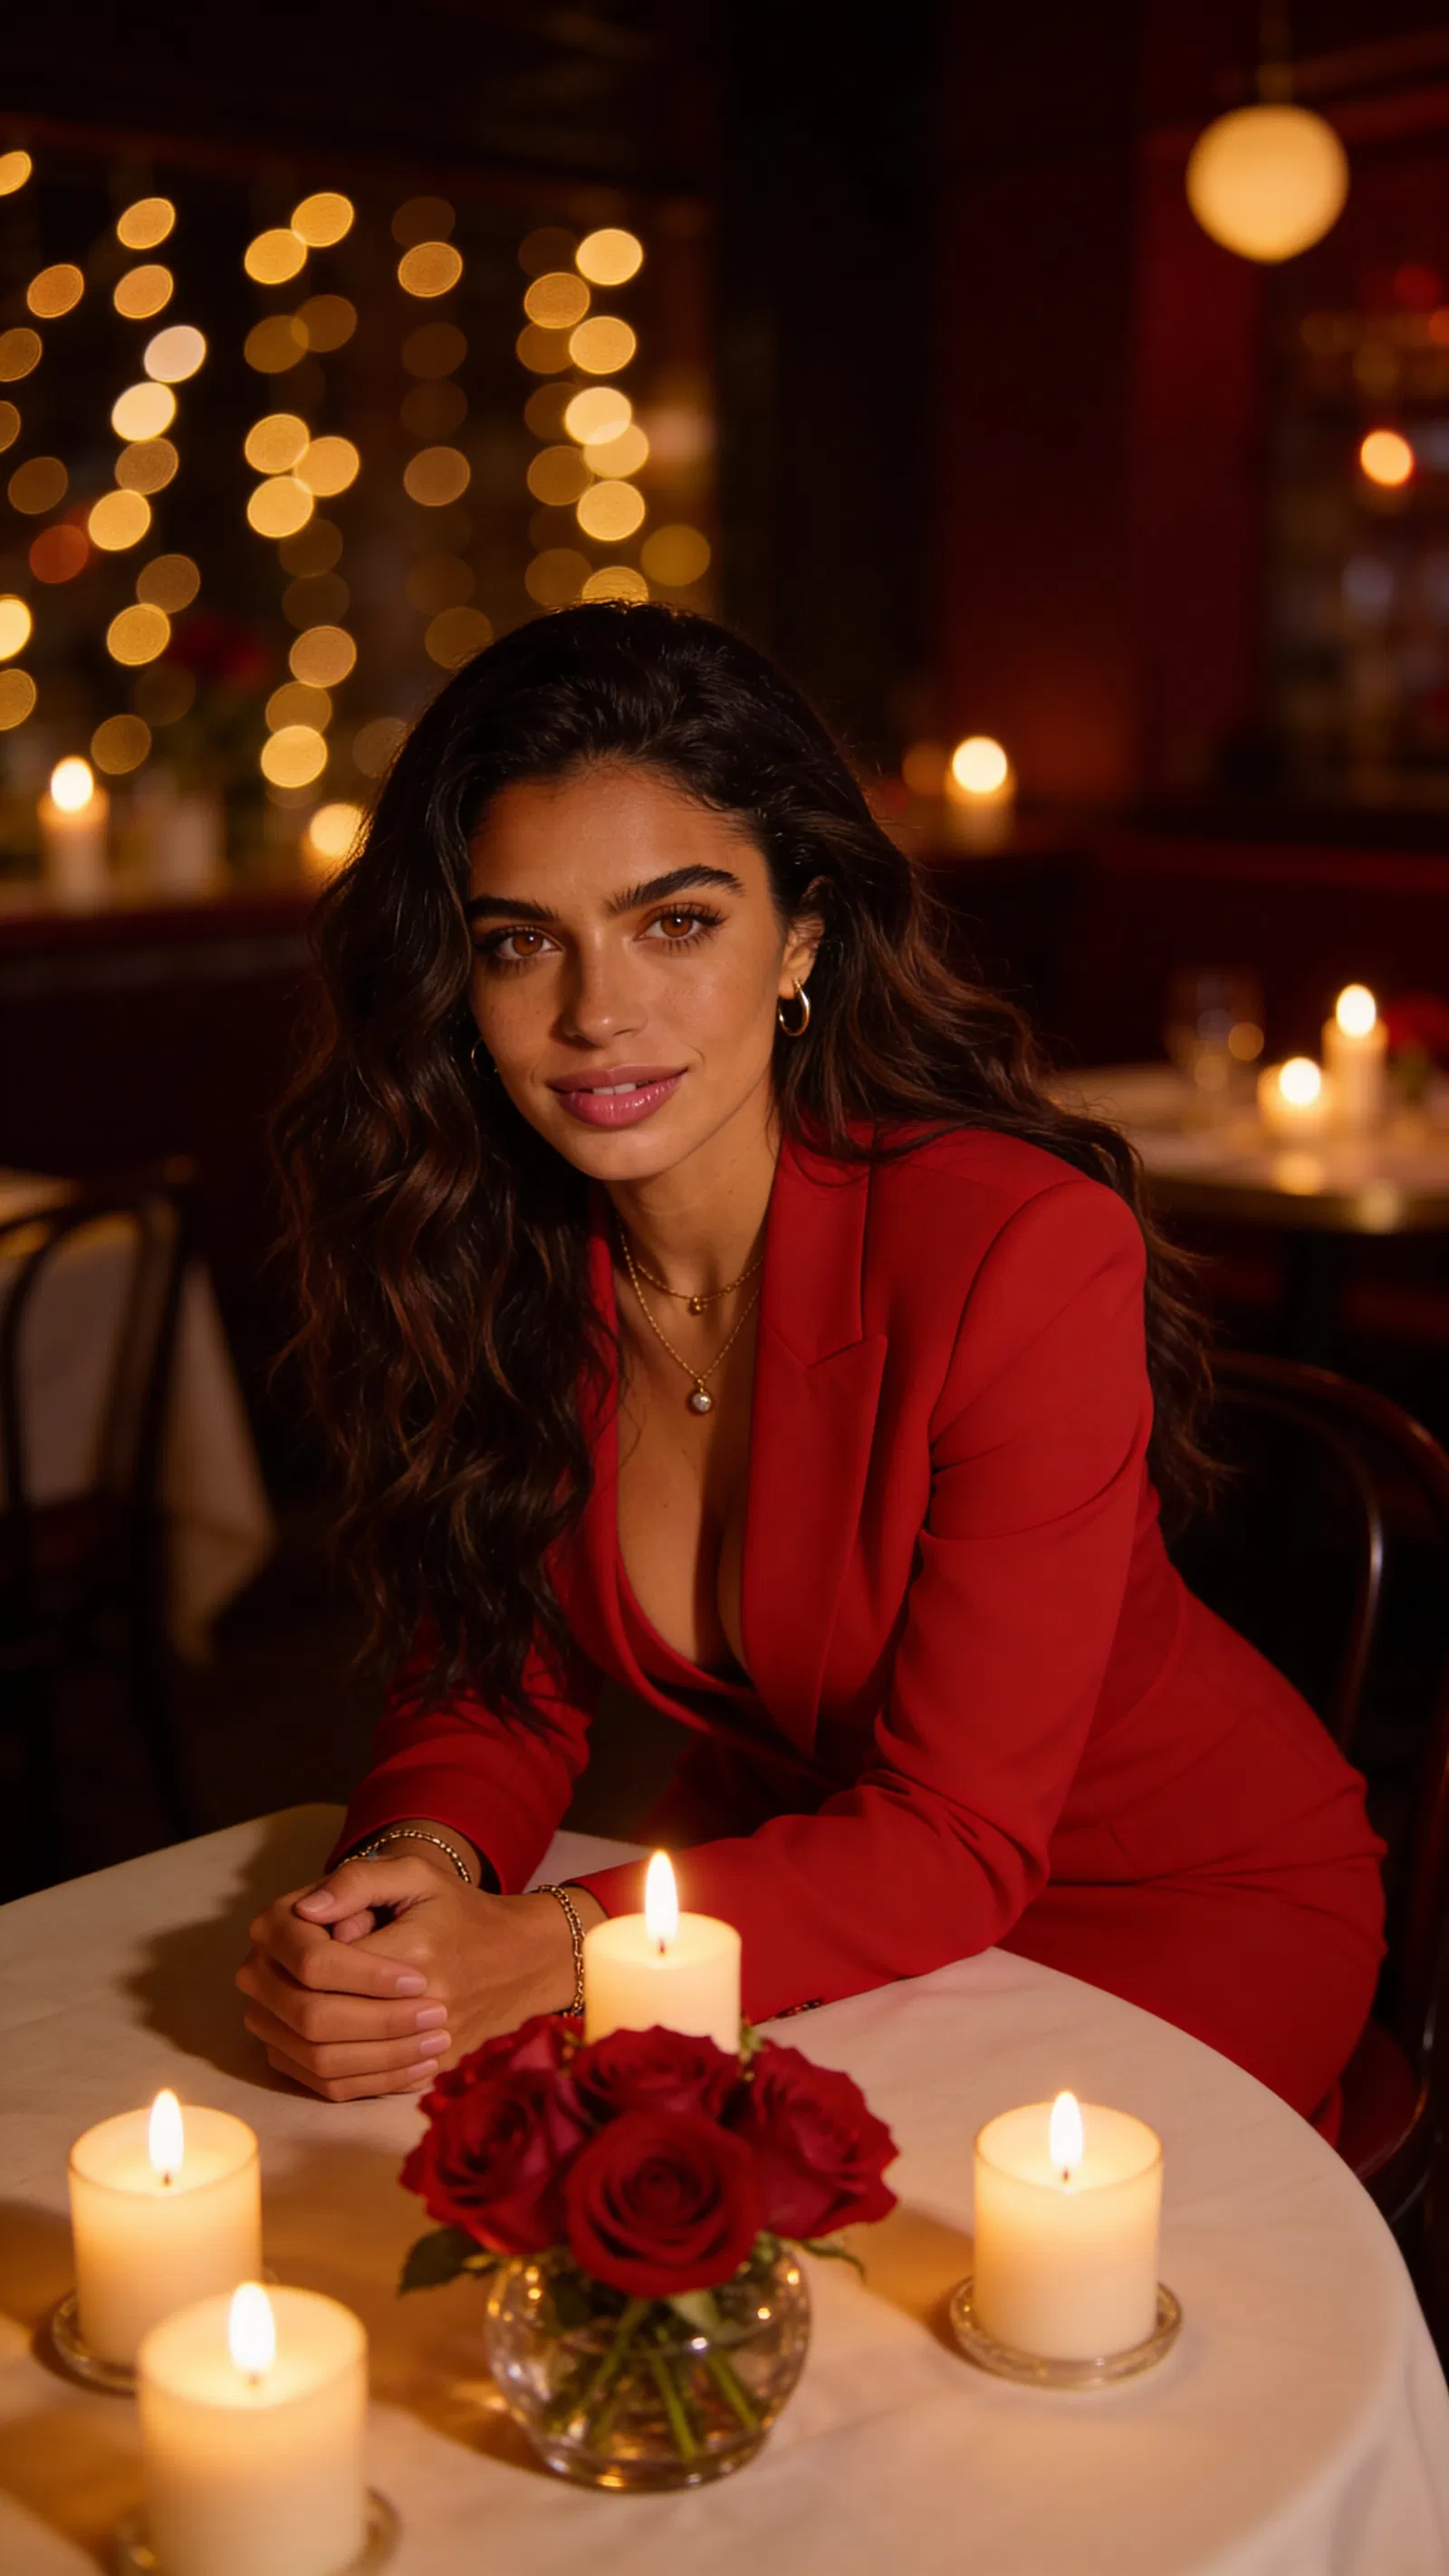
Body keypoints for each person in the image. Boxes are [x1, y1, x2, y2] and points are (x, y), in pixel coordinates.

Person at [239, 602, 1385, 2138]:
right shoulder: (492, 1247)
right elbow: (494, 1682)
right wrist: (420, 1887)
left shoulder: (1020, 1250)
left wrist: (559, 1948)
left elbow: (963, 1837)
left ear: (803, 936)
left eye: (677, 921)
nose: (596, 1013)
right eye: (522, 942)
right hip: (794, 1868)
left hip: (1160, 1898)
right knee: (520, 2204)